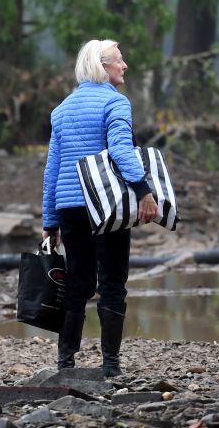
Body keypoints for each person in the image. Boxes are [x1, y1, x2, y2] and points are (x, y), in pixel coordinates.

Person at [42, 40, 158, 377]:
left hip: (70, 207)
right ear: (103, 66)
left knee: (77, 283)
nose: (125, 67)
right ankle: (110, 366)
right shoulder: (115, 103)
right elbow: (122, 151)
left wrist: (50, 220)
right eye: (120, 61)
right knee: (111, 282)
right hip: (106, 207)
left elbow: (52, 168)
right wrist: (143, 191)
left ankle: (65, 363)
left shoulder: (61, 109)